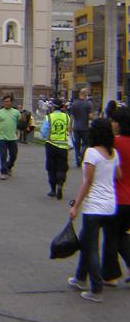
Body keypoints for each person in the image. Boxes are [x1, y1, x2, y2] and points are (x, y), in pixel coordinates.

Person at [68, 118, 121, 302]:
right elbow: (118, 175)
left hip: (94, 207)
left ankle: (96, 288)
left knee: (90, 248)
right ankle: (80, 277)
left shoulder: (91, 153)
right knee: (85, 240)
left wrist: (75, 205)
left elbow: (87, 182)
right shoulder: (113, 153)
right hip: (110, 206)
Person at [101, 107, 130, 284]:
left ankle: (110, 275)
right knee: (121, 235)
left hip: (116, 198)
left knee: (111, 237)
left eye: (114, 121)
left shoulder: (114, 144)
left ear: (120, 124)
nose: (112, 124)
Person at [41, 98, 72, 200]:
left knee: (51, 167)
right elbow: (69, 130)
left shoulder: (49, 117)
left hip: (51, 144)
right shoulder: (67, 117)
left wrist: (46, 137)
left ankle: (53, 189)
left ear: (54, 107)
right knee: (62, 167)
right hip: (63, 146)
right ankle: (60, 185)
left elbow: (43, 132)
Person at [0, 94, 20, 180]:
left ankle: (9, 166)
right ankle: (3, 172)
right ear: (3, 103)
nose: (7, 103)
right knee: (3, 155)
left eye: (8, 101)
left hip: (13, 138)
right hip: (2, 138)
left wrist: (19, 132)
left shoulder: (16, 112)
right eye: (5, 102)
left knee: (13, 155)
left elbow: (20, 123)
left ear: (11, 102)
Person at [70, 88, 94, 167]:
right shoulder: (88, 104)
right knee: (85, 144)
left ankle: (77, 159)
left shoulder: (74, 103)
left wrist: (70, 126)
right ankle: (81, 155)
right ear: (85, 94)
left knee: (77, 144)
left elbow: (71, 116)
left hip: (76, 127)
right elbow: (90, 116)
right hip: (85, 127)